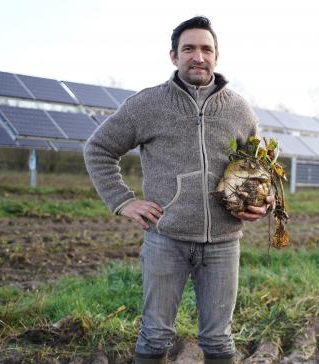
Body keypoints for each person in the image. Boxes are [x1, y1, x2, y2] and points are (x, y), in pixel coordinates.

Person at [84, 16, 271, 364]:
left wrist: (265, 202)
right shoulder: (147, 105)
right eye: (189, 49)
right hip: (166, 239)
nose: (198, 56)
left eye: (206, 49)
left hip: (223, 244)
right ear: (173, 56)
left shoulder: (239, 109)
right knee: (155, 337)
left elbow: (259, 169)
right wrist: (123, 201)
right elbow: (98, 149)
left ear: (216, 56)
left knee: (218, 340)